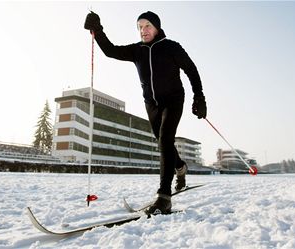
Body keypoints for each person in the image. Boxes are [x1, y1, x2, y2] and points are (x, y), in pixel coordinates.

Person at [84, 11, 207, 214]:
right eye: (140, 27)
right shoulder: (137, 50)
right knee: (162, 140)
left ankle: (164, 197)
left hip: (173, 100)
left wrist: (199, 97)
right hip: (151, 103)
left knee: (165, 140)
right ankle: (180, 167)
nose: (143, 30)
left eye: (147, 26)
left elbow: (191, 69)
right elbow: (110, 51)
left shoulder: (171, 47)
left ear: (157, 27)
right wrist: (97, 29)